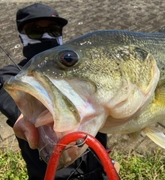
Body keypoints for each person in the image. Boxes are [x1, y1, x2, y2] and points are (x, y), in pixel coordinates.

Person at [0, 3, 109, 180]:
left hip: (100, 172)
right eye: (34, 31)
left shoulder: (85, 68)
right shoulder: (12, 74)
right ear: (21, 35)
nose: (46, 36)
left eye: (53, 30)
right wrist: (22, 115)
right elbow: (6, 91)